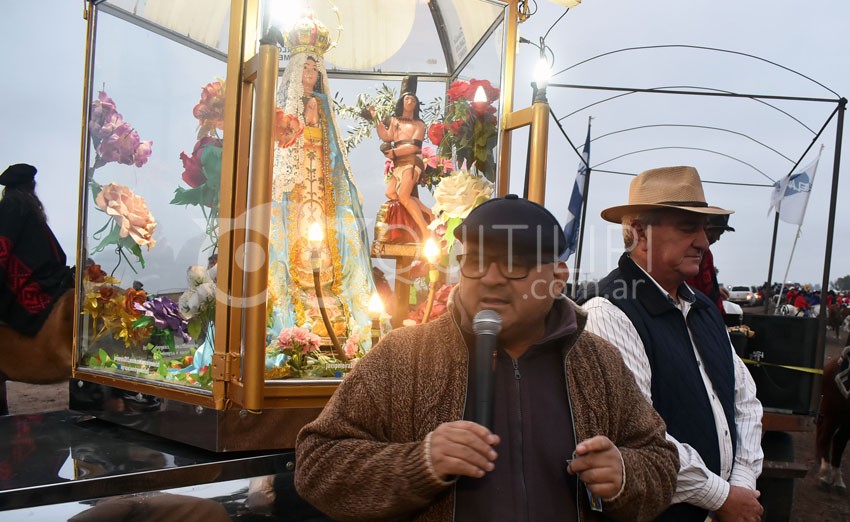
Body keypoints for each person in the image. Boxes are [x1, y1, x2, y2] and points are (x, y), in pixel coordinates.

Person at [295, 195, 678, 521]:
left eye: (513, 264)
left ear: (557, 277)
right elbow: (317, 464)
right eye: (476, 262)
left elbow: (660, 462)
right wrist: (419, 462)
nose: (491, 279)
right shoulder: (403, 358)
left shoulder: (598, 363)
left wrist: (625, 474)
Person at [580, 166, 764, 522]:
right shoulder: (609, 311)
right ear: (639, 233)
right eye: (687, 227)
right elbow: (637, 435)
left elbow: (745, 400)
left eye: (704, 229)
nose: (703, 241)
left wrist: (741, 482)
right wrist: (722, 497)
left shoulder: (703, 307)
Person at [268, 9, 376, 350]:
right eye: (306, 67)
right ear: (296, 69)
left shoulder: (323, 106)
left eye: (316, 68)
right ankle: (296, 317)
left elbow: (336, 155)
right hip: (297, 185)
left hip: (322, 187)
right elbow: (280, 154)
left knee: (335, 237)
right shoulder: (285, 108)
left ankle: (333, 307)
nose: (311, 73)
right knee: (291, 243)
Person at [0, 163, 74, 336]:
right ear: (30, 186)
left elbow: (2, 251)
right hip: (48, 277)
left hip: (27, 285)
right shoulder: (30, 210)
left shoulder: (9, 208)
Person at [369, 76, 434, 240]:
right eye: (407, 98)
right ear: (402, 102)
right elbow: (386, 136)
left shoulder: (419, 125)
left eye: (413, 99)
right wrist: (376, 119)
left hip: (412, 162)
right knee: (391, 193)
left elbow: (414, 147)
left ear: (417, 104)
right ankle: (428, 212)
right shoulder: (395, 121)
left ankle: (424, 229)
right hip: (398, 163)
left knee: (404, 196)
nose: (410, 102)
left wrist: (395, 153)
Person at [686, 214, 734, 315]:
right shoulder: (691, 253)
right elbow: (688, 288)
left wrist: (716, 291)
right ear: (708, 230)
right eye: (718, 233)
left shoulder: (707, 254)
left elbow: (705, 285)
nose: (718, 238)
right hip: (695, 313)